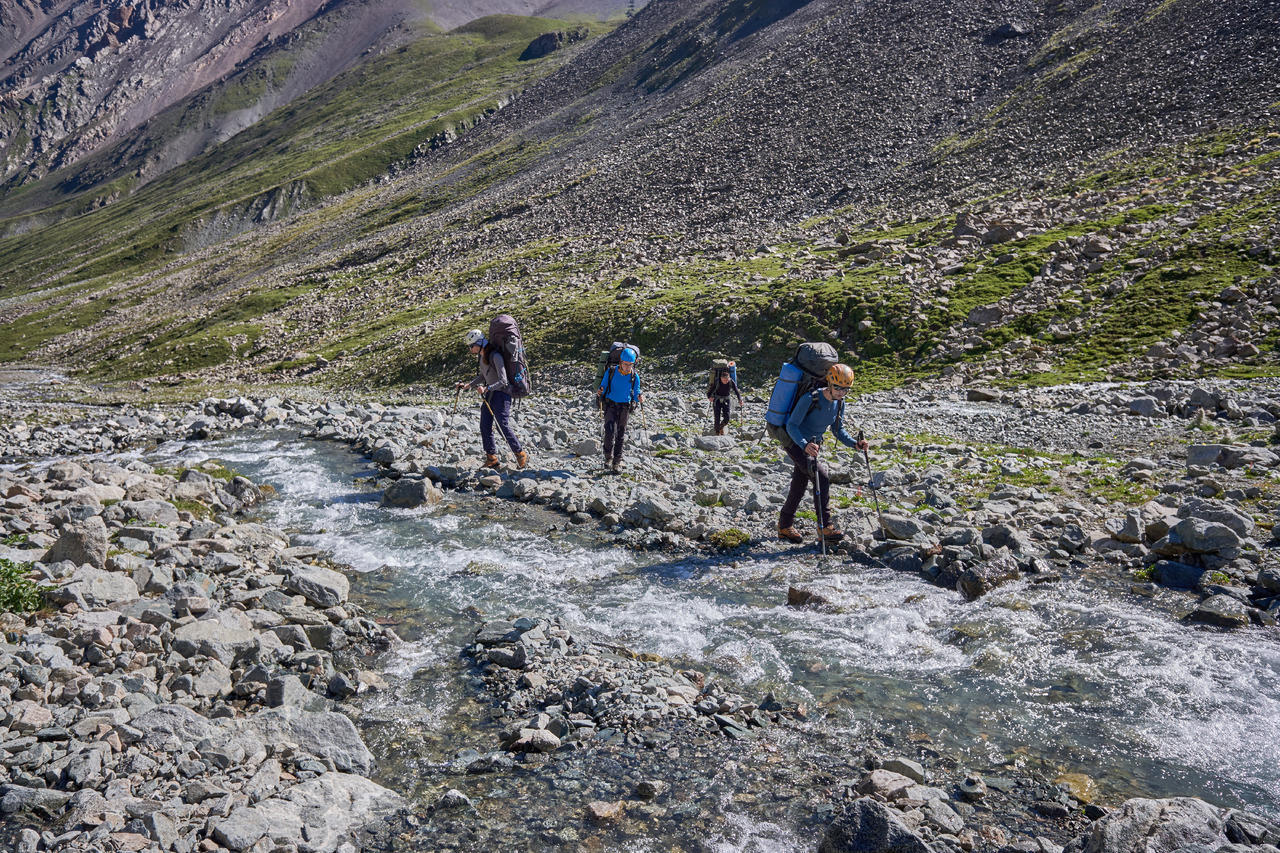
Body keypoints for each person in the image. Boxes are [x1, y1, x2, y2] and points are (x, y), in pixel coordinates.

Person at [777, 363, 868, 544]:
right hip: (795, 442)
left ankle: (784, 526)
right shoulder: (811, 399)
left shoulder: (840, 403)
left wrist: (855, 445)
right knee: (822, 476)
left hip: (812, 446)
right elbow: (792, 425)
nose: (842, 392)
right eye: (838, 387)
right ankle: (825, 526)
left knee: (800, 481)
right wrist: (804, 445)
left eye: (846, 389)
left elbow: (837, 430)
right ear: (830, 382)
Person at [455, 328, 528, 469]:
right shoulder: (483, 358)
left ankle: (520, 454)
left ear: (481, 343)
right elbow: (484, 376)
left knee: (502, 426)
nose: (470, 349)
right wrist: (468, 385)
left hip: (502, 394)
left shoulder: (496, 356)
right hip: (490, 395)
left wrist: (487, 388)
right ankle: (491, 458)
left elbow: (503, 380)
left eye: (472, 345)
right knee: (485, 425)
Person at [596, 346, 644, 473]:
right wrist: (600, 390)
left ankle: (616, 463)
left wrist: (639, 397)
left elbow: (636, 392)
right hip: (611, 405)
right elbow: (604, 385)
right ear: (621, 362)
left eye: (631, 364)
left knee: (620, 435)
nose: (628, 367)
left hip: (624, 407)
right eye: (626, 364)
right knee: (609, 432)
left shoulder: (635, 376)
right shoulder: (611, 372)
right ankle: (608, 459)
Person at [707, 368, 743, 436]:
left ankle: (720, 428)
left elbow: (736, 391)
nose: (725, 381)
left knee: (727, 418)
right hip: (717, 400)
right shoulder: (717, 382)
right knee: (717, 417)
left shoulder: (731, 381)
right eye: (724, 380)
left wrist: (740, 400)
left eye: (727, 380)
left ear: (729, 378)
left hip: (726, 400)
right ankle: (717, 433)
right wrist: (709, 397)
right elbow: (710, 391)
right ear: (721, 378)